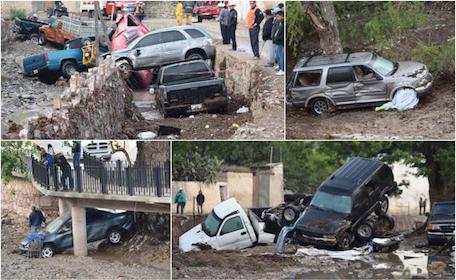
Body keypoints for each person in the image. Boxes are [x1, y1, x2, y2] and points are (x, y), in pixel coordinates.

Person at [271, 9, 284, 76]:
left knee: (281, 56)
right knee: (279, 55)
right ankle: (280, 67)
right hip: (278, 41)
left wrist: (277, 38)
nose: (277, 18)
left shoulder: (283, 23)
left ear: (282, 16)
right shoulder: (280, 22)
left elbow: (281, 34)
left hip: (281, 42)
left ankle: (282, 69)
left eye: (278, 16)